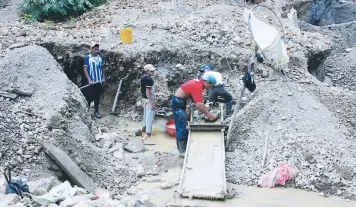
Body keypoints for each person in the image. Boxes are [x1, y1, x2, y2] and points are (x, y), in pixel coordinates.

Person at [171, 73, 218, 157]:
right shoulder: (198, 86)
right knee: (182, 126)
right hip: (178, 102)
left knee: (181, 125)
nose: (210, 87)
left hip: (180, 100)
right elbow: (199, 105)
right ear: (207, 82)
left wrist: (196, 102)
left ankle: (181, 148)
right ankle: (182, 152)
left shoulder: (198, 83)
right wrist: (209, 116)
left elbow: (191, 94)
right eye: (211, 85)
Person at [82, 44, 105, 118]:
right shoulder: (88, 58)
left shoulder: (100, 58)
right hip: (91, 82)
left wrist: (103, 77)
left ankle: (96, 111)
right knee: (89, 97)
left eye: (97, 49)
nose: (96, 51)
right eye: (95, 49)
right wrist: (89, 80)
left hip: (98, 81)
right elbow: (85, 69)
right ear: (91, 49)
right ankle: (87, 112)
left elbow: (102, 68)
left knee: (97, 97)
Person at [140, 64, 156, 141]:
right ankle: (148, 133)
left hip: (144, 99)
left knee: (146, 114)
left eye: (153, 70)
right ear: (147, 71)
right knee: (150, 116)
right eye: (151, 71)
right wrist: (152, 103)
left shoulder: (143, 78)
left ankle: (144, 128)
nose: (153, 72)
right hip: (149, 99)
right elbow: (147, 91)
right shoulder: (149, 80)